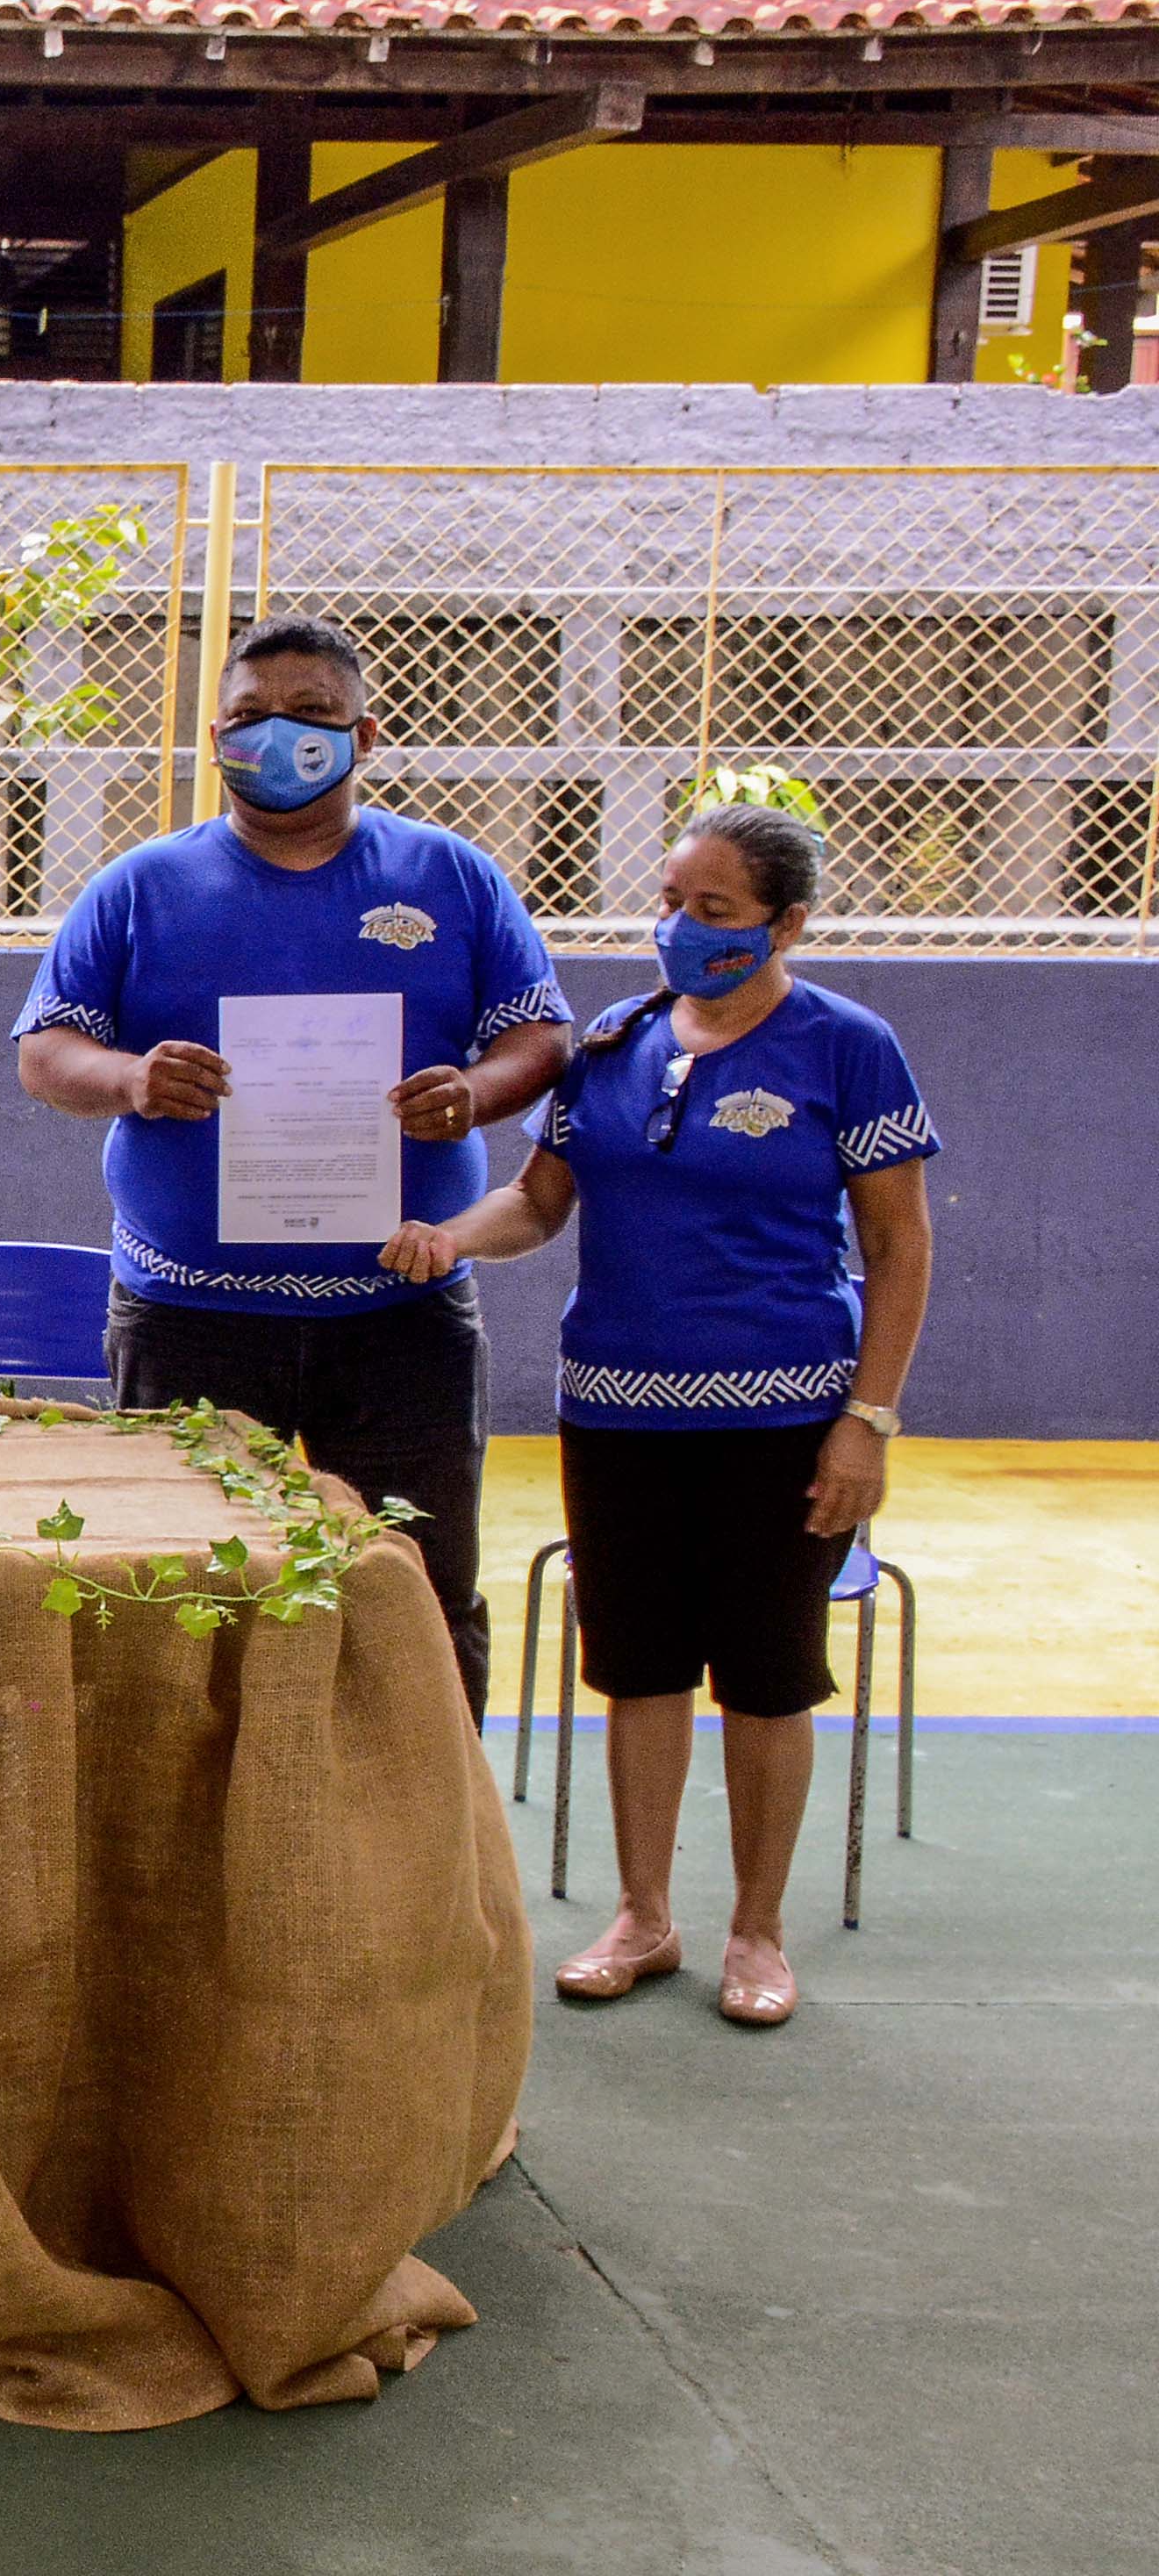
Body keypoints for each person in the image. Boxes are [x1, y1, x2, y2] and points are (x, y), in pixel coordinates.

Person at [384, 803, 936, 2029]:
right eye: (673, 900)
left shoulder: (849, 1047)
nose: (681, 929)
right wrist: (445, 1238)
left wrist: (869, 1422)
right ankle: (644, 1916)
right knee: (635, 1670)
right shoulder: (610, 1044)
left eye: (717, 912)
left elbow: (899, 1246)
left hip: (785, 1423)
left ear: (789, 923)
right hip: (619, 1416)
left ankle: (757, 1931)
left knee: (767, 1678)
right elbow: (536, 1205)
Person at [15, 613, 571, 1720]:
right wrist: (130, 1078)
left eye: (311, 717)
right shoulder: (138, 886)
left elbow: (539, 1038)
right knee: (180, 1594)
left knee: (413, 1588)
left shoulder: (452, 878)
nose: (278, 738)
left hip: (400, 1310)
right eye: (249, 718)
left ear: (366, 733)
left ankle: (426, 1849)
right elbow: (45, 1052)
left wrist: (475, 1093)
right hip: (187, 1316)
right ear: (213, 737)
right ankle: (180, 1833)